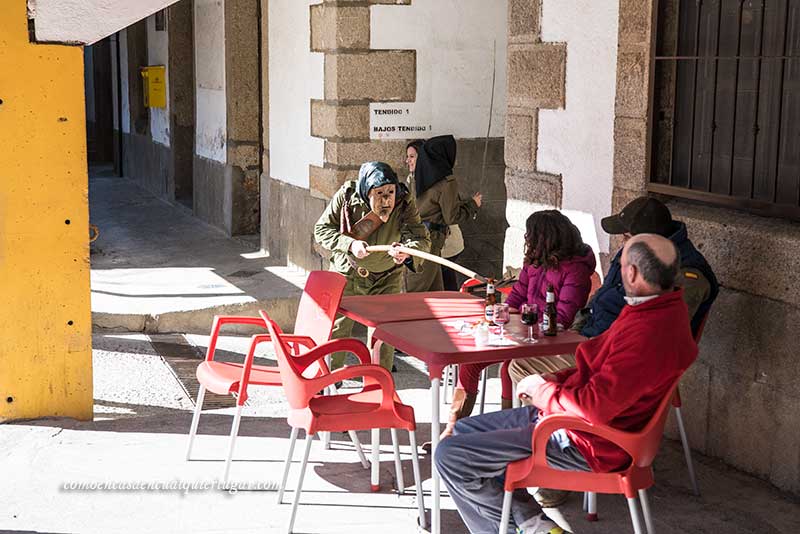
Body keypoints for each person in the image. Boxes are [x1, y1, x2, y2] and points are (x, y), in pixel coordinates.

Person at [435, 233, 698, 534]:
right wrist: (552, 380)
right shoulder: (664, 310)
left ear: (632, 273)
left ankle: (519, 527)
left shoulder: (647, 332)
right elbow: (595, 369)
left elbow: (594, 407)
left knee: (450, 455)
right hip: (576, 422)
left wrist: (542, 391)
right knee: (463, 430)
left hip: (588, 440)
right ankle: (533, 524)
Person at [506, 196, 718, 508]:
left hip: (618, 363)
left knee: (522, 370)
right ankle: (544, 441)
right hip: (596, 342)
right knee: (525, 371)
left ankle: (555, 463)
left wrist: (594, 351)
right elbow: (604, 302)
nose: (622, 241)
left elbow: (653, 342)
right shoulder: (636, 256)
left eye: (627, 235)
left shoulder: (686, 275)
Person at [441, 210, 596, 440]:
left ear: (546, 238)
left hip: (550, 338)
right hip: (521, 332)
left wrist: (521, 318)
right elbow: (516, 296)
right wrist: (499, 314)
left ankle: (507, 430)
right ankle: (452, 430)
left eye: (531, 235)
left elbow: (562, 317)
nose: (527, 240)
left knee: (508, 368)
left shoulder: (575, 269)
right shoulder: (535, 261)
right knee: (471, 364)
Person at [314, 161, 431, 371]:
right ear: (367, 191)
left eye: (390, 192)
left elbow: (421, 238)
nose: (386, 200)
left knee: (384, 332)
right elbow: (321, 230)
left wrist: (407, 252)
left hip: (388, 276)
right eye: (379, 193)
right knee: (338, 327)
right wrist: (350, 244)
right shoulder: (348, 196)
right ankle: (328, 378)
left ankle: (379, 380)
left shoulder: (404, 201)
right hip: (349, 272)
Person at [405, 135, 482, 293]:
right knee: (418, 290)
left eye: (412, 156)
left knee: (436, 290)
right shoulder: (447, 182)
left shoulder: (418, 178)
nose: (408, 161)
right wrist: (473, 205)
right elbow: (451, 216)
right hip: (431, 239)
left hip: (419, 237)